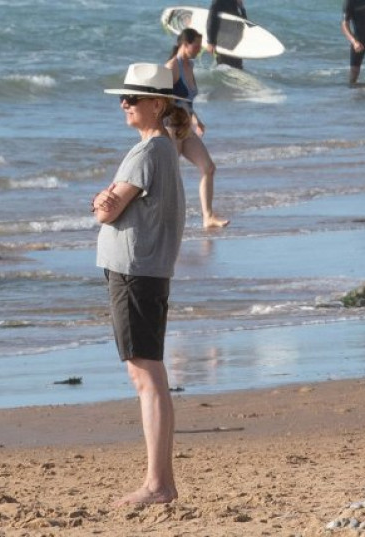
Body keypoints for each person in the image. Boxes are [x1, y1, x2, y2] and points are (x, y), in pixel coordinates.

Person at [92, 63, 188, 506]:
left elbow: (108, 209)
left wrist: (100, 204)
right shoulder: (161, 149)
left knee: (146, 373)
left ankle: (158, 483)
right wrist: (104, 202)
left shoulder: (148, 153)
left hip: (135, 271)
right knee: (147, 372)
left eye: (133, 97)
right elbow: (111, 202)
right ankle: (160, 482)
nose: (124, 104)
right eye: (123, 97)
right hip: (145, 269)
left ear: (158, 103)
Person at [165, 28, 229, 228]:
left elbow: (187, 101)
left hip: (186, 127)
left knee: (208, 168)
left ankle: (208, 217)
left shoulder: (189, 66)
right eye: (196, 46)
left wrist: (195, 119)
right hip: (171, 128)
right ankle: (164, 221)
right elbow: (160, 100)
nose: (199, 49)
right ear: (185, 44)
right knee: (170, 177)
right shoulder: (171, 67)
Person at [207, 0, 247, 69]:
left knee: (237, 68)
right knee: (224, 68)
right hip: (223, 43)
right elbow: (211, 19)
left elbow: (244, 22)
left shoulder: (234, 3)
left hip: (234, 44)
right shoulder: (219, 1)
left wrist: (241, 7)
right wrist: (211, 42)